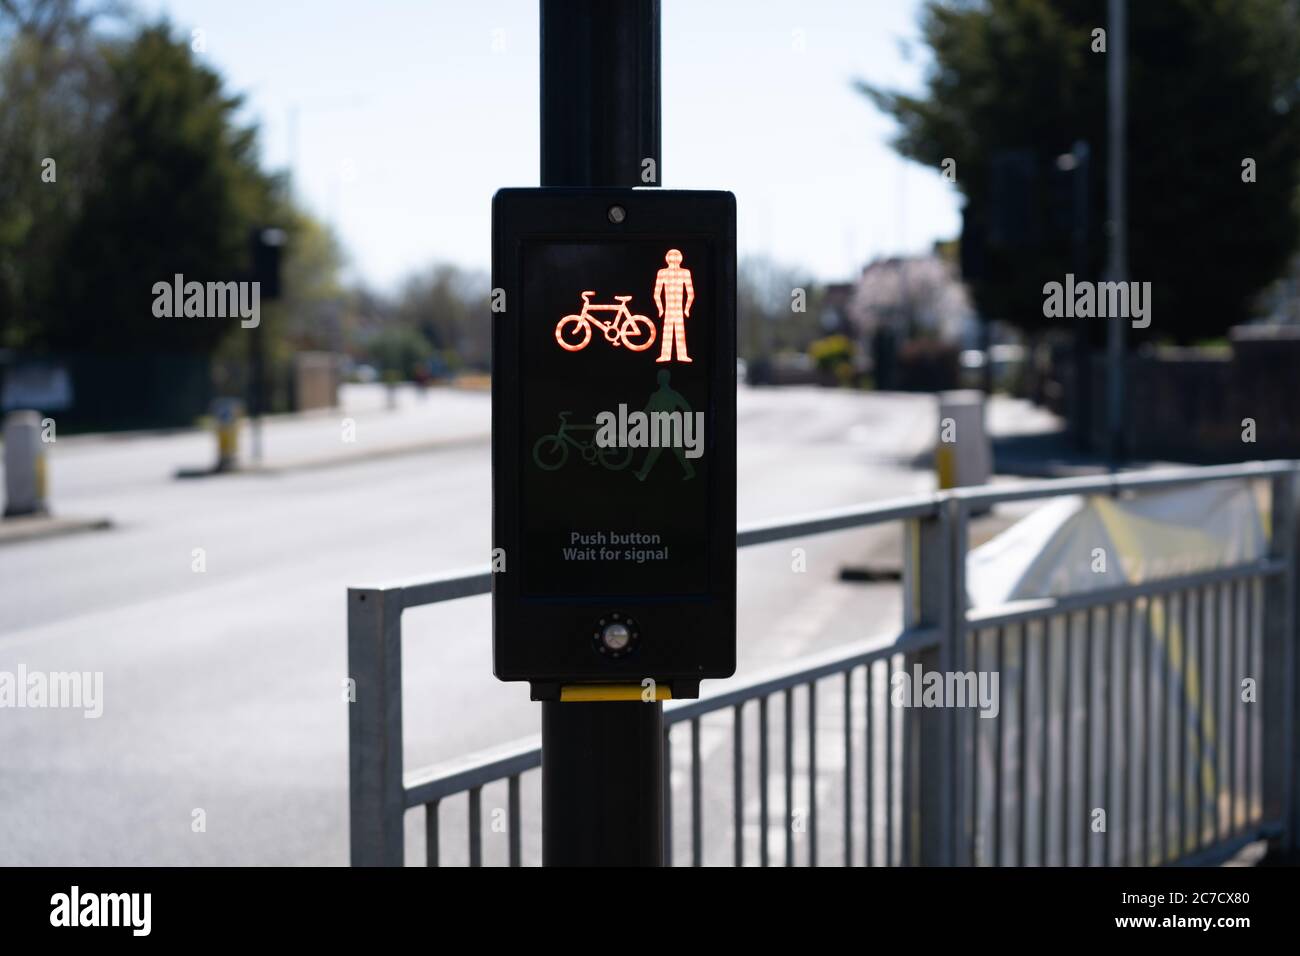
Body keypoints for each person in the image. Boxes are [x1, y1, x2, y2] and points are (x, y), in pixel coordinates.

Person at [635, 370, 696, 481]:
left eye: (658, 377)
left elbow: (647, 411)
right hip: (670, 427)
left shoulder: (656, 396)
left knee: (656, 452)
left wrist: (636, 419)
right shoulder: (673, 394)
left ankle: (642, 474)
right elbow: (687, 408)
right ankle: (690, 472)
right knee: (674, 452)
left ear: (661, 379)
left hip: (663, 427)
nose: (657, 379)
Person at [653, 248, 694, 363]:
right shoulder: (663, 273)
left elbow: (690, 293)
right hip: (671, 308)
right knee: (671, 331)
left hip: (675, 308)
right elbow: (656, 294)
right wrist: (660, 308)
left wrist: (686, 308)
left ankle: (679, 356)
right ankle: (668, 356)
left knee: (676, 332)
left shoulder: (684, 272)